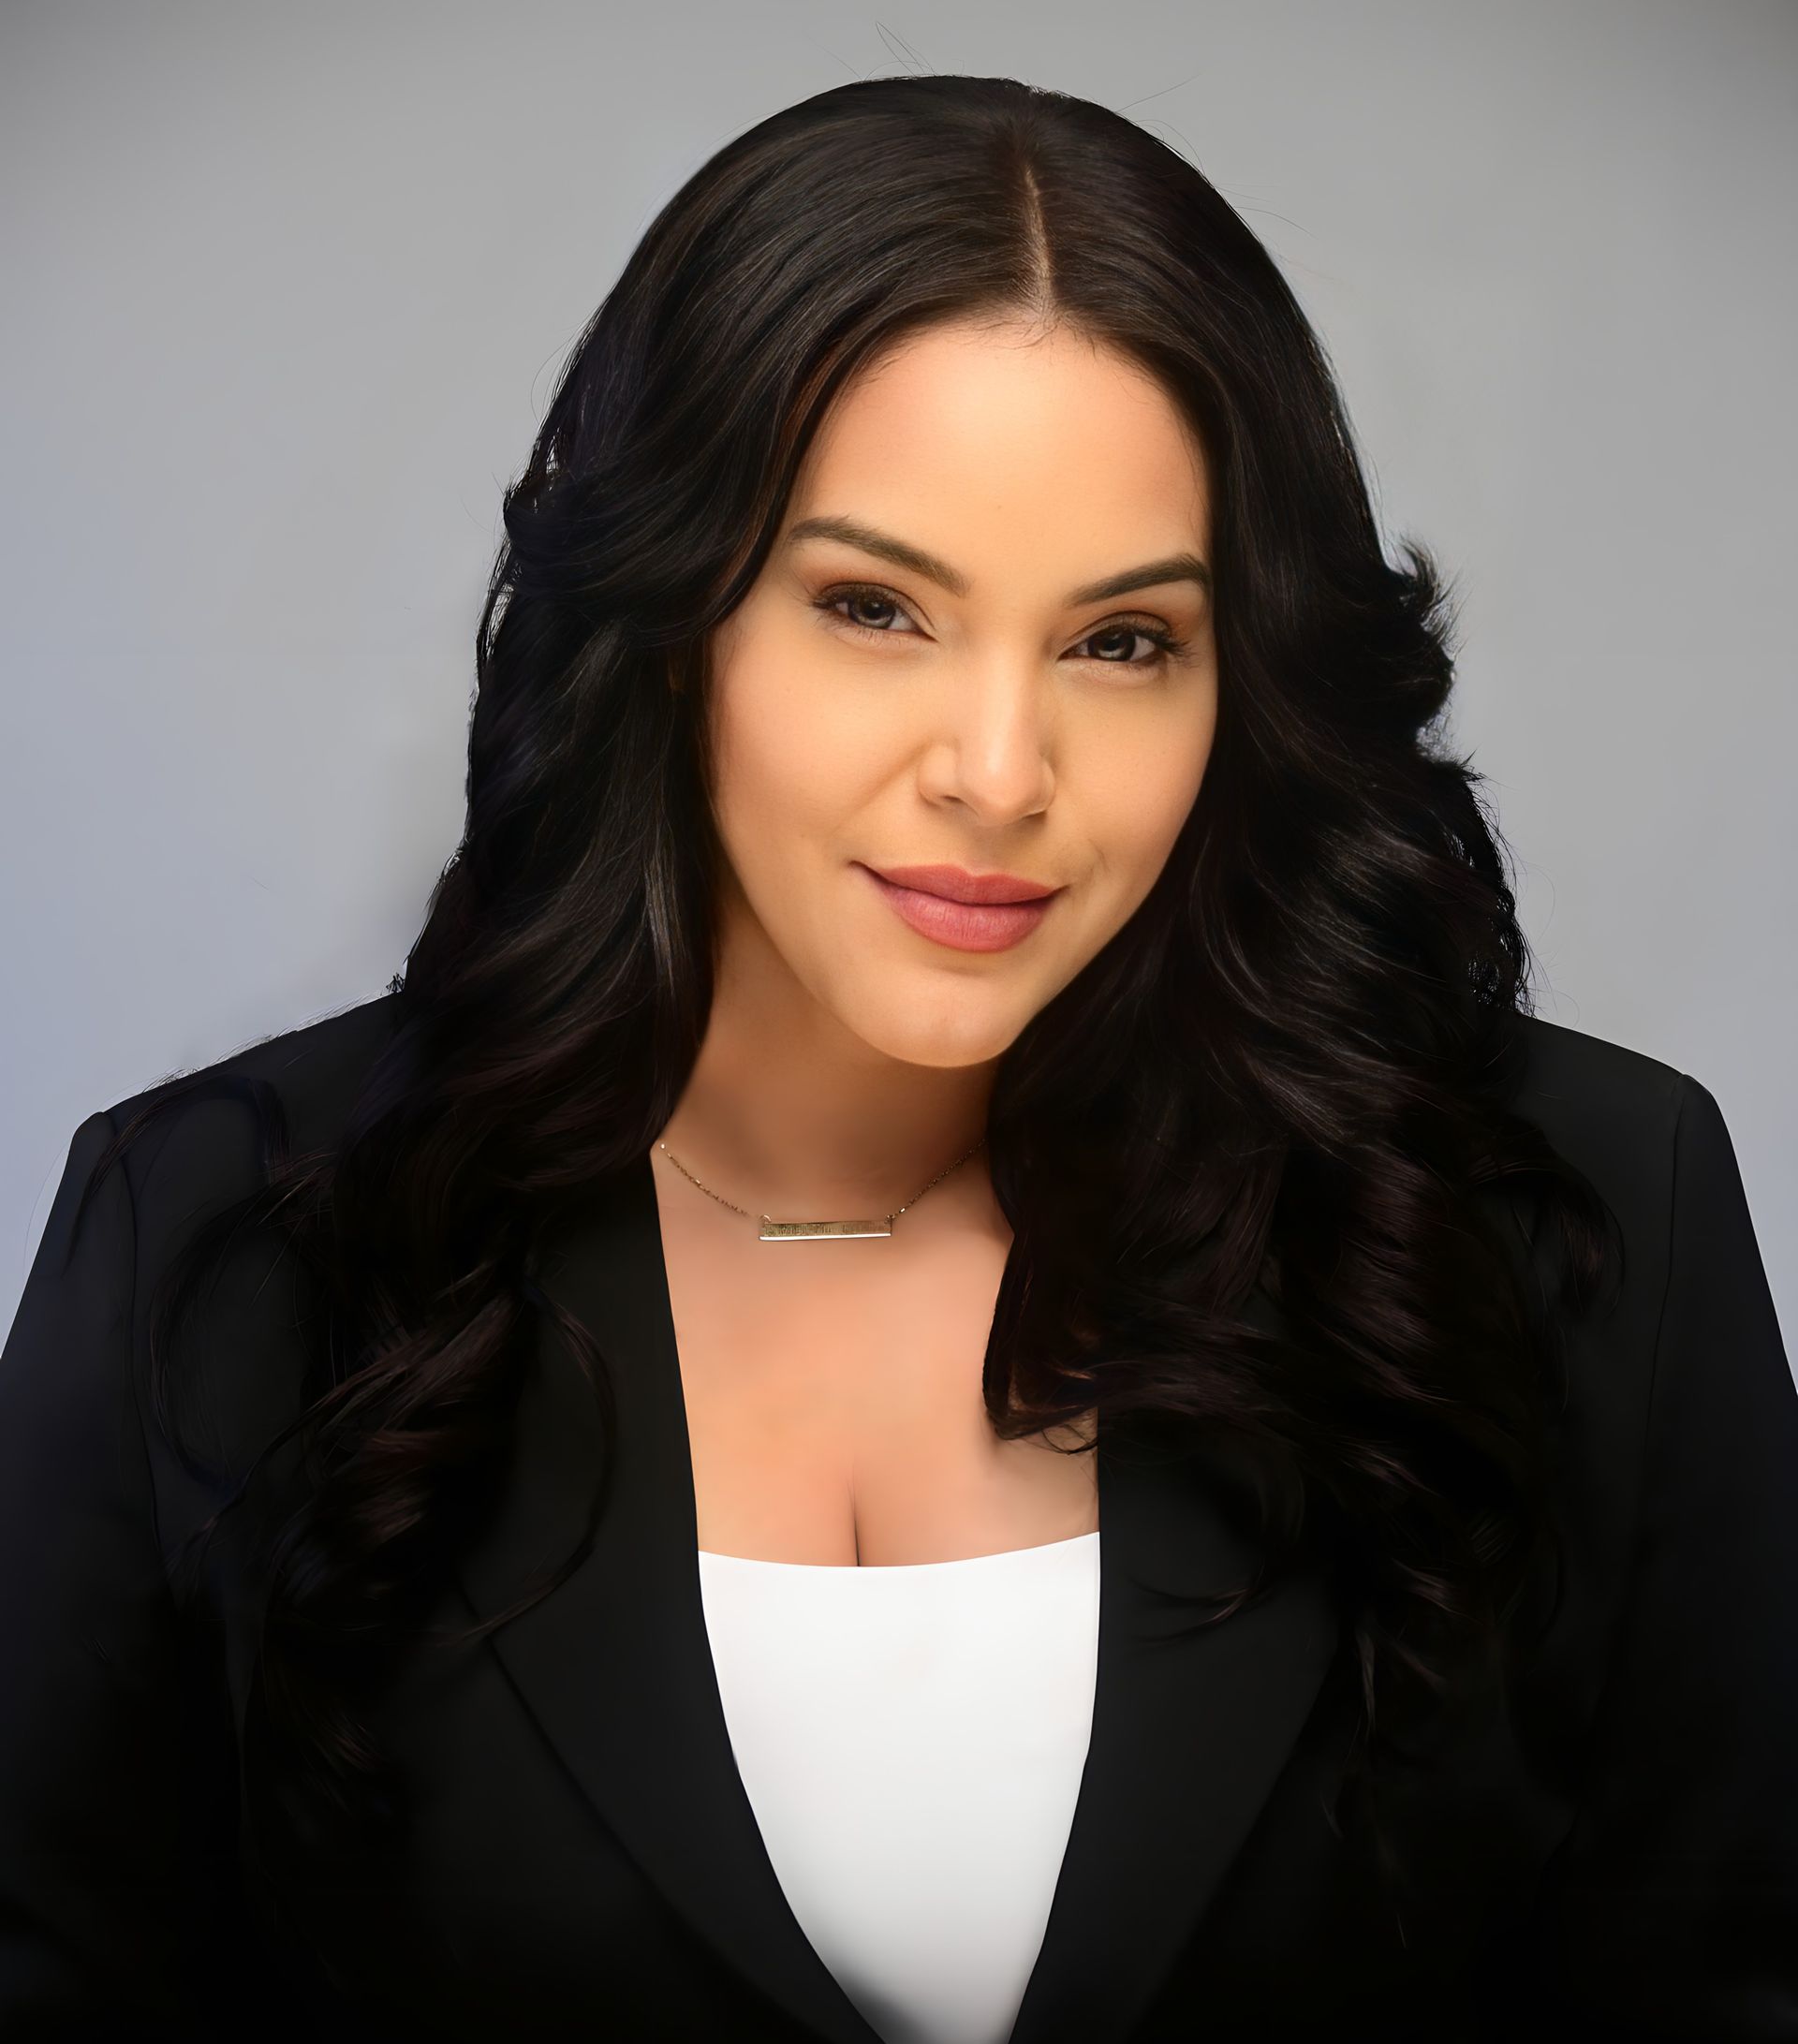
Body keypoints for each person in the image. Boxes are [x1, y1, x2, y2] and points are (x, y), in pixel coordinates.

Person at [3, 70, 1793, 2044]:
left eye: (1123, 642)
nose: (1001, 776)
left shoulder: (1587, 1232)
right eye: (874, 608)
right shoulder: (222, 1247)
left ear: (1244, 677)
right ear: (675, 624)